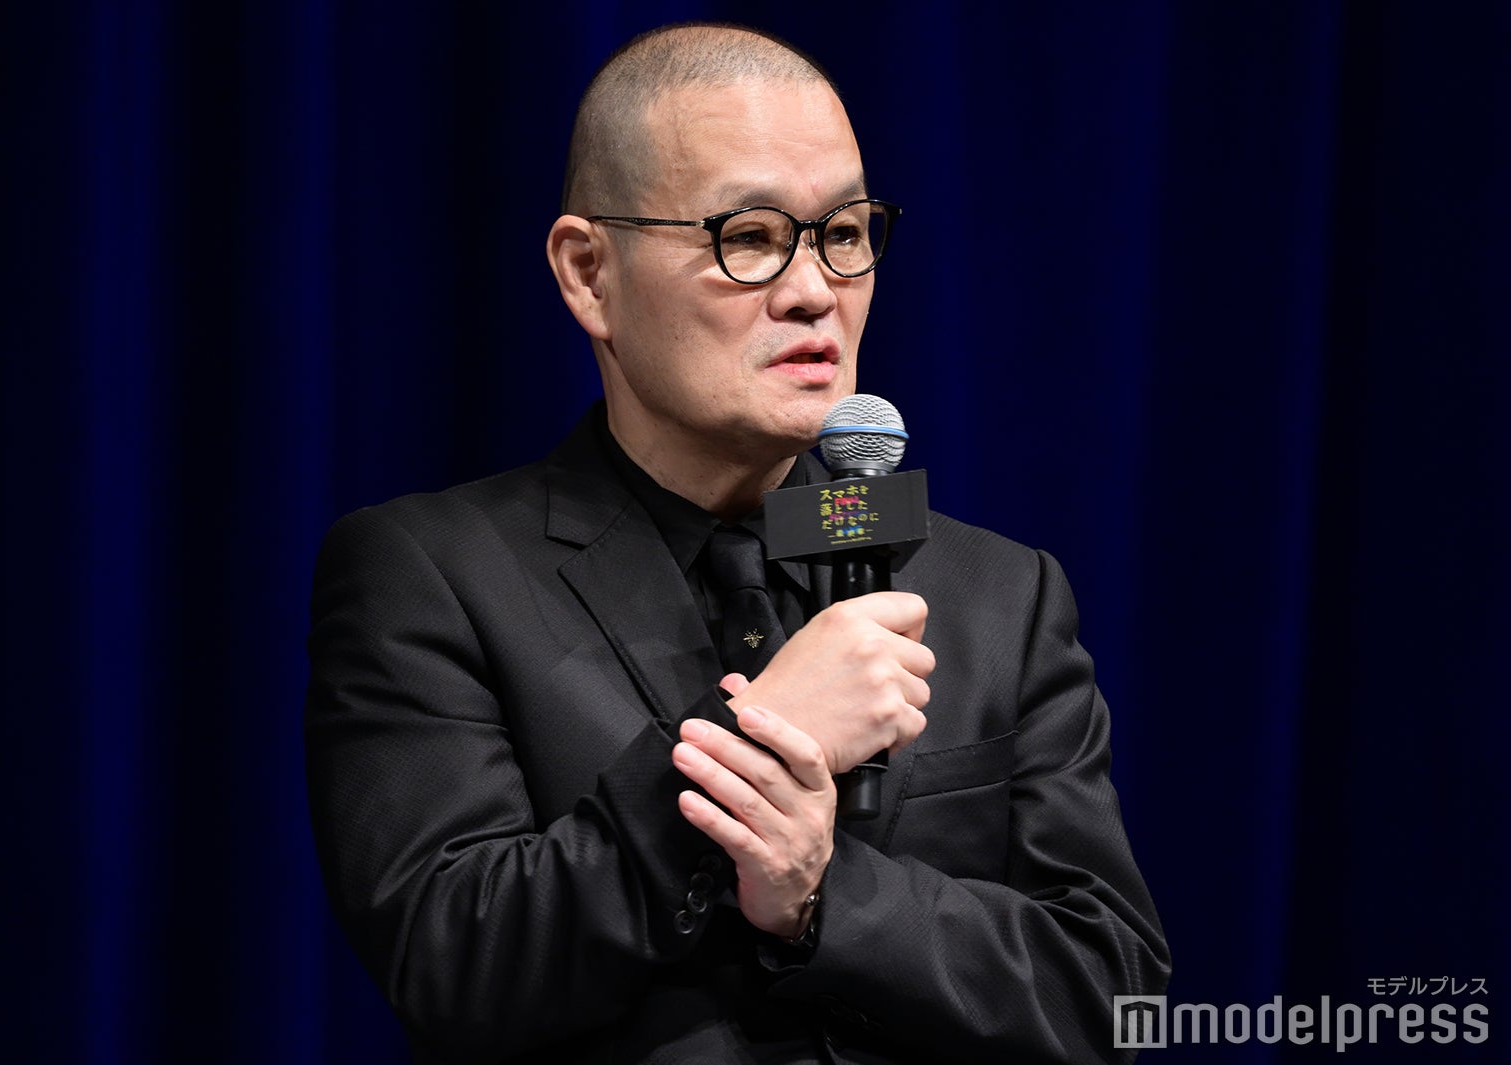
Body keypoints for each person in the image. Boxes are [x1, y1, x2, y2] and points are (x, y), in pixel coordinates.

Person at [305, 21, 1169, 1064]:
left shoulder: (1000, 593)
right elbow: (454, 961)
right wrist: (758, 743)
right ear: (588, 272)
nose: (814, 290)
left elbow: (1111, 997)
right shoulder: (432, 575)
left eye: (843, 233)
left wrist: (821, 898)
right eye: (750, 237)